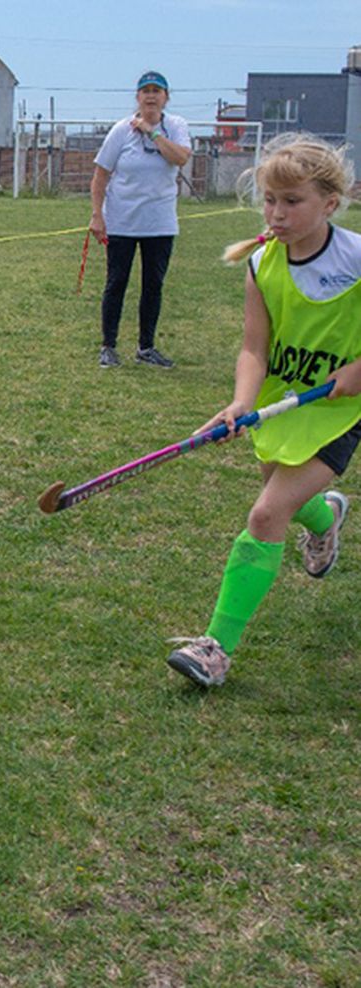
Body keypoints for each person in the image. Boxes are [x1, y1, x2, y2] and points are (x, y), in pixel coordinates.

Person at [165, 134, 360, 688]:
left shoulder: (357, 259)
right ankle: (328, 518)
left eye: (292, 201)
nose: (277, 212)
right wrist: (241, 401)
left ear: (330, 202)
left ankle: (215, 648)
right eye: (270, 200)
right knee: (288, 498)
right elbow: (254, 347)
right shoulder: (261, 263)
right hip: (283, 403)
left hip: (341, 410)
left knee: (266, 515)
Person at [89, 71, 192, 370]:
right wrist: (97, 215)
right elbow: (101, 175)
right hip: (122, 222)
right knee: (116, 283)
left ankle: (146, 347)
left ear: (166, 97)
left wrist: (152, 131)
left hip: (159, 223)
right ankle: (108, 346)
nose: (150, 96)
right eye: (145, 91)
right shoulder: (121, 131)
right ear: (137, 97)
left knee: (153, 285)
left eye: (156, 91)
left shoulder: (176, 126)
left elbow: (181, 158)